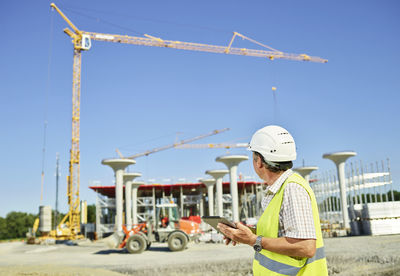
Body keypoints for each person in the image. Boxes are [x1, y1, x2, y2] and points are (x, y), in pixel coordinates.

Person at [218, 125, 328, 275]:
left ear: (259, 161)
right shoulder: (279, 190)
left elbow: (306, 246)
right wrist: (246, 234)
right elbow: (280, 234)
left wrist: (253, 240)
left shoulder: (292, 189)